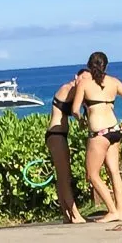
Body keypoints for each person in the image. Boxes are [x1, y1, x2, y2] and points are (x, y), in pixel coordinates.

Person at [70, 50, 122, 222]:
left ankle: (112, 210)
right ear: (105, 65)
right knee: (114, 171)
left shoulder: (84, 83)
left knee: (92, 174)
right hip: (114, 130)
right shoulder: (113, 82)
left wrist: (82, 120)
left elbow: (75, 110)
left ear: (89, 65)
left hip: (99, 133)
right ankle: (120, 211)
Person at [44, 69, 87, 224]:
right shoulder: (68, 88)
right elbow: (75, 111)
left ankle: (66, 214)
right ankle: (75, 214)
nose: (84, 82)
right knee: (64, 177)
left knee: (62, 177)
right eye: (82, 79)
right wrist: (82, 119)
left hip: (60, 135)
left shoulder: (75, 91)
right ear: (76, 77)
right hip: (56, 135)